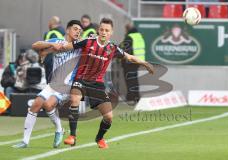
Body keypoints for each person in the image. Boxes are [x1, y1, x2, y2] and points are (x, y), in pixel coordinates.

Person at [51, 18, 154, 149]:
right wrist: (47, 48)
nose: (104, 32)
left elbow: (129, 57)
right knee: (75, 99)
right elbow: (65, 46)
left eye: (107, 30)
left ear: (111, 33)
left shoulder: (112, 48)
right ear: (98, 30)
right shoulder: (87, 41)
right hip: (80, 79)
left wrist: (146, 64)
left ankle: (99, 138)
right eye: (102, 29)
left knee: (109, 117)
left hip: (97, 84)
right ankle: (72, 136)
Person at [12, 20, 82, 148]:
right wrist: (51, 45)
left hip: (67, 86)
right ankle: (25, 141)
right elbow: (35, 45)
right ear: (67, 30)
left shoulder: (80, 45)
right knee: (35, 104)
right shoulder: (58, 41)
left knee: (48, 104)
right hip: (53, 84)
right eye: (75, 29)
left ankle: (59, 129)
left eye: (79, 30)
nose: (78, 31)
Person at [120, 22, 146, 104]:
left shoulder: (129, 37)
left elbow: (126, 50)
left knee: (130, 80)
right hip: (138, 61)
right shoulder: (139, 36)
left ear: (127, 29)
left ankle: (131, 97)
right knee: (134, 79)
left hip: (130, 62)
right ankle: (136, 96)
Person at [44, 16, 65, 83]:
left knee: (50, 83)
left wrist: (45, 61)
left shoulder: (52, 33)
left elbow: (48, 48)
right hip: (61, 61)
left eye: (49, 22)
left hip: (51, 62)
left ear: (52, 23)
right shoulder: (62, 34)